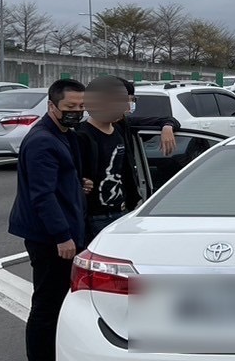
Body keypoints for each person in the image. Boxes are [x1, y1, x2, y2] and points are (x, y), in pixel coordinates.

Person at [8, 79, 87, 361]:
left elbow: (61, 182)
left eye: (80, 107)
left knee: (58, 302)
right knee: (47, 304)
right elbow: (42, 196)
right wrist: (62, 236)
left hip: (61, 231)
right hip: (49, 238)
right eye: (70, 108)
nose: (76, 113)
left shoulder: (64, 135)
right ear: (51, 106)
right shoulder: (42, 140)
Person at [76, 75, 178, 243]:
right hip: (95, 217)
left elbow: (164, 119)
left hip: (122, 211)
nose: (127, 107)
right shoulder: (81, 135)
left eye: (129, 102)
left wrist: (167, 127)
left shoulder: (122, 127)